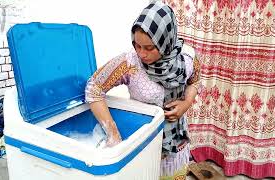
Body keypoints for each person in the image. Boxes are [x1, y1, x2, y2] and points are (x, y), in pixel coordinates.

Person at [85, 1, 200, 179]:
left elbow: (195, 81)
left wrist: (186, 103)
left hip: (176, 145)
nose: (141, 54)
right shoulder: (129, 63)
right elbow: (94, 87)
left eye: (149, 48)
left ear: (166, 41)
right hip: (144, 147)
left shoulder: (186, 58)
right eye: (137, 45)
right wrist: (113, 133)